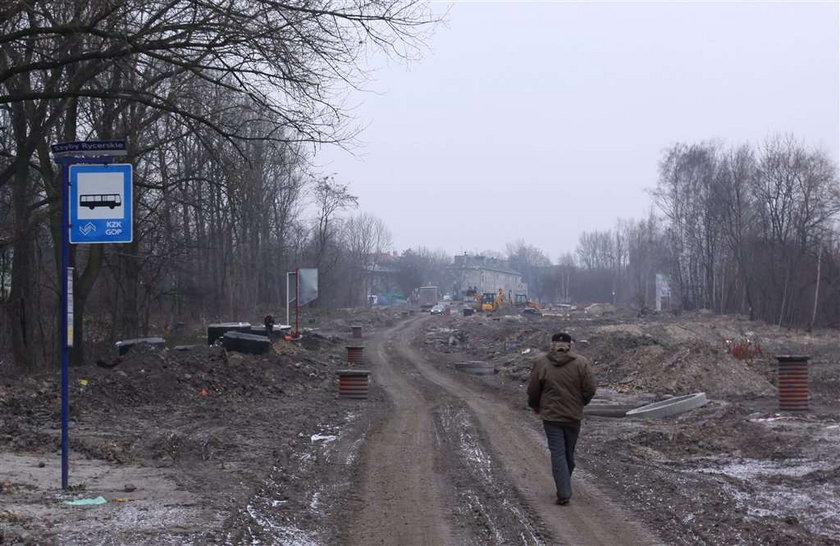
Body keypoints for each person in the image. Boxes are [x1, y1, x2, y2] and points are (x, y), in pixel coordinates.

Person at [527, 332, 596, 506]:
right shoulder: (582, 363)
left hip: (551, 416)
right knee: (568, 454)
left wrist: (535, 405)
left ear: (552, 345)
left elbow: (533, 389)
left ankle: (563, 489)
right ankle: (564, 489)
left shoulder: (541, 362)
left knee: (558, 454)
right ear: (570, 345)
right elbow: (590, 389)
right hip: (573, 416)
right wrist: (582, 402)